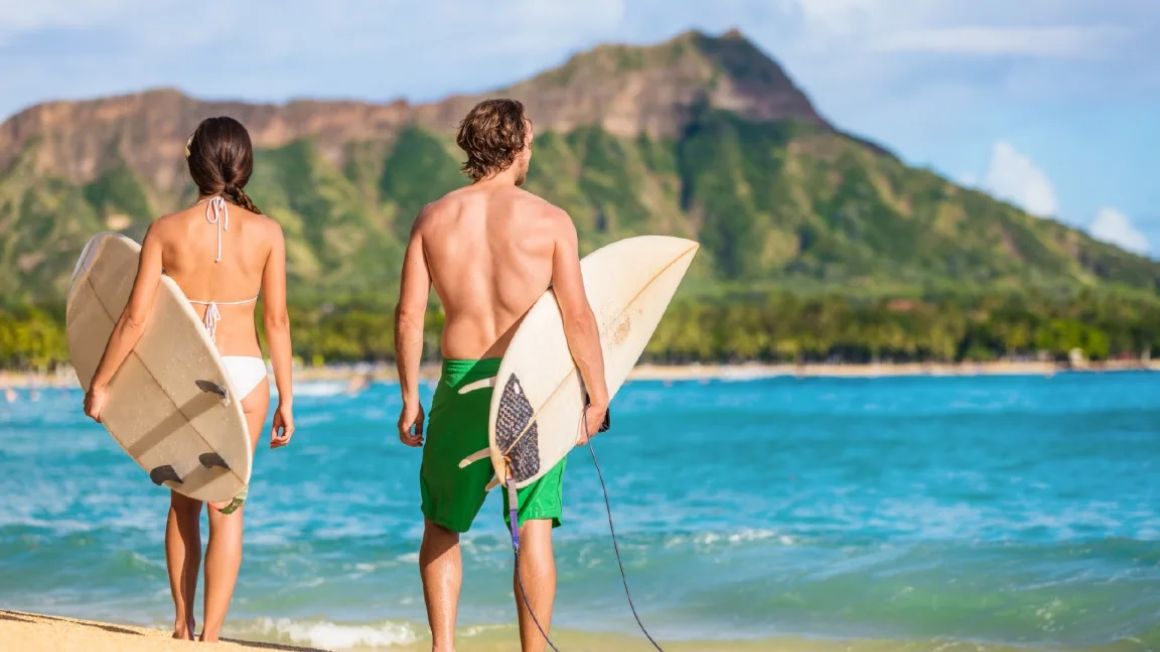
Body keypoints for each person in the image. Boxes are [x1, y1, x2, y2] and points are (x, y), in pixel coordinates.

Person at [394, 98, 609, 652]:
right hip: (530, 389)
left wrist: (409, 398)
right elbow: (577, 316)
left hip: (462, 383)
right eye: (531, 140)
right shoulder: (551, 221)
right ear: (516, 146)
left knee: (443, 522)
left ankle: (443, 648)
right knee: (532, 524)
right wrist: (597, 394)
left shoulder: (433, 218)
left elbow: (409, 316)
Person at [83, 116, 295, 642]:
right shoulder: (268, 233)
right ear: (245, 165)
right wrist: (288, 397)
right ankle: (212, 637)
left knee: (183, 503)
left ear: (193, 162)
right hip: (246, 380)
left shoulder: (164, 229)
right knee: (228, 508)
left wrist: (102, 383)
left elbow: (136, 317)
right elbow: (277, 321)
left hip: (187, 382)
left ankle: (182, 624)